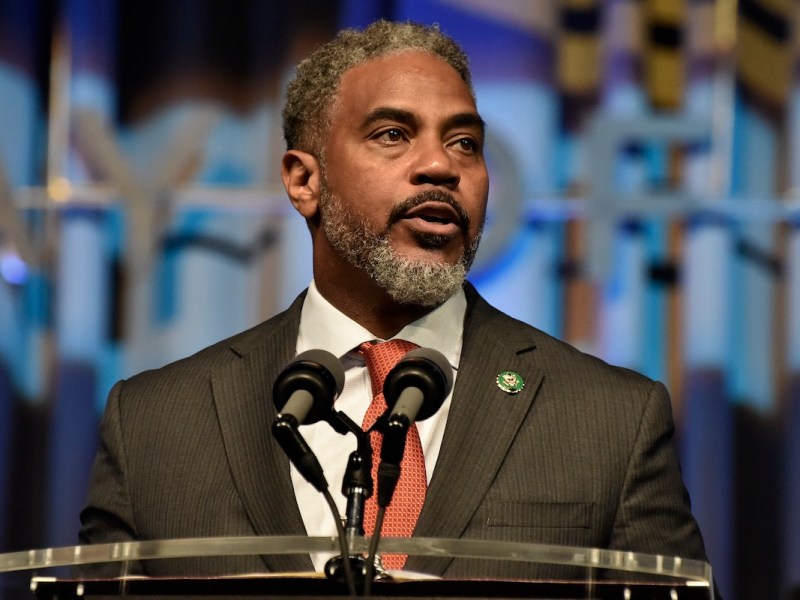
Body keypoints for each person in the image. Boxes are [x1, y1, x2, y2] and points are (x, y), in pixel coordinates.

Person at [79, 19, 713, 584]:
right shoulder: (154, 426)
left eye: (465, 142)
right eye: (392, 134)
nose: (440, 164)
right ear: (304, 180)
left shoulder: (612, 420)